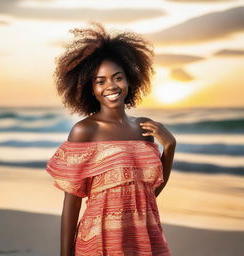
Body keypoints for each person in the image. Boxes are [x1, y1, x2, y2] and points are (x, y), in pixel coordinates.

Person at [46, 22, 176, 256]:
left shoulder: (144, 128)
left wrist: (170, 147)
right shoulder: (85, 131)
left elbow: (148, 194)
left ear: (129, 80)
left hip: (144, 235)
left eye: (118, 78)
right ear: (90, 88)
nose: (111, 86)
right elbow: (72, 203)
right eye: (100, 81)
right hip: (101, 239)